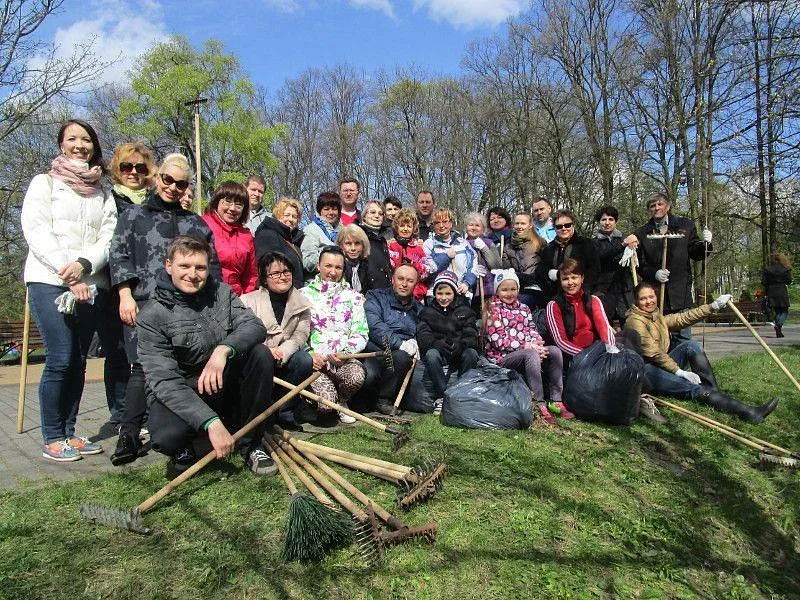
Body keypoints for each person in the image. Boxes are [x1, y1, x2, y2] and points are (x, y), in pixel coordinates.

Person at [109, 153, 219, 466]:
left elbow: (213, 268)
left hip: (188, 307)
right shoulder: (133, 216)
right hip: (144, 301)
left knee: (178, 368)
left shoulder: (194, 223)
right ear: (158, 178)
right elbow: (118, 256)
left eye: (180, 183)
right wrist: (125, 295)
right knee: (142, 367)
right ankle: (128, 433)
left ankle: (181, 431)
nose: (172, 187)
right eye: (167, 179)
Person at [137, 236, 276, 477]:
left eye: (200, 267)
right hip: (183, 389)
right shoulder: (152, 314)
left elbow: (254, 326)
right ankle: (198, 438)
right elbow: (164, 381)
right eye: (184, 266)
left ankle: (250, 443)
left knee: (260, 354)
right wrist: (210, 421)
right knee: (168, 437)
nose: (193, 274)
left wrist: (223, 350)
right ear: (168, 265)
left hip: (221, 381)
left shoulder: (221, 293)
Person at [21, 118, 117, 462]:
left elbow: (109, 237)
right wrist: (68, 271)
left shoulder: (103, 192)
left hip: (90, 283)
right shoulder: (44, 184)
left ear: (94, 146)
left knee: (78, 362)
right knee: (60, 357)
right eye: (72, 139)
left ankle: (70, 432)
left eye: (86, 139)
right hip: (50, 281)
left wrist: (84, 266)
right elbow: (36, 229)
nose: (80, 145)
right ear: (61, 145)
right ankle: (51, 436)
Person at [625, 282, 778, 424]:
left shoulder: (655, 316)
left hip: (659, 364)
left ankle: (714, 394)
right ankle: (749, 413)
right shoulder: (635, 320)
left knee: (691, 345)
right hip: (646, 372)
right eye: (643, 298)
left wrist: (713, 306)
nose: (648, 301)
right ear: (637, 301)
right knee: (693, 389)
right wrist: (680, 372)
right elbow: (653, 353)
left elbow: (683, 318)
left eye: (651, 297)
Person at [101, 142, 158, 427]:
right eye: (127, 166)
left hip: (152, 287)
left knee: (146, 352)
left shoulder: (154, 201)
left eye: (140, 167)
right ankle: (122, 413)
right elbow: (114, 250)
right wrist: (124, 292)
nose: (134, 172)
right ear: (117, 169)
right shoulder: (109, 200)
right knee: (120, 352)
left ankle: (145, 411)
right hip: (119, 285)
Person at [241, 251, 313, 430]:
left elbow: (301, 335)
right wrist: (266, 350)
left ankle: (284, 412)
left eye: (286, 272)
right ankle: (261, 414)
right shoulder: (248, 301)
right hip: (257, 357)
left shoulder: (302, 303)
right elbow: (244, 334)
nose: (282, 277)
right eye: (275, 273)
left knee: (304, 360)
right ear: (265, 279)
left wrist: (284, 351)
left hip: (284, 358)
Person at [486, 269, 566, 425]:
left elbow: (532, 330)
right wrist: (527, 346)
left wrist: (538, 345)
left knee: (555, 351)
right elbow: (498, 341)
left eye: (513, 289)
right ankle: (538, 402)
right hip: (501, 357)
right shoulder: (493, 309)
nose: (509, 293)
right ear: (497, 291)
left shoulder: (524, 308)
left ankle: (556, 399)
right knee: (530, 355)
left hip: (529, 349)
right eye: (504, 289)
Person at [301, 246, 368, 425]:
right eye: (328, 266)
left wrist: (345, 352)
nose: (332, 272)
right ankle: (322, 402)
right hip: (315, 363)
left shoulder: (353, 297)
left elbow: (361, 332)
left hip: (342, 361)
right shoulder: (302, 296)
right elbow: (295, 333)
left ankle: (342, 400)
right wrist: (309, 354)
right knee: (326, 408)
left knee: (356, 376)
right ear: (318, 266)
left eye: (338, 268)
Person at [634, 192, 712, 333]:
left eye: (660, 204)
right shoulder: (642, 233)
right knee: (659, 340)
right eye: (652, 206)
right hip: (655, 298)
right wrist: (654, 274)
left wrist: (705, 244)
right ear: (649, 210)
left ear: (668, 206)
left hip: (680, 295)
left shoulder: (685, 226)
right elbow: (639, 264)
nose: (656, 208)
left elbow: (696, 253)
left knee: (683, 339)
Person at [417, 271, 480, 415]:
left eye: (448, 293)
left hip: (459, 351)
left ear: (454, 293)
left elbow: (471, 334)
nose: (443, 298)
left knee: (471, 354)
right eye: (440, 293)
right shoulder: (427, 312)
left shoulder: (465, 310)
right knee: (431, 355)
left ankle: (463, 394)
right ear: (435, 293)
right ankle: (442, 396)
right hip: (440, 351)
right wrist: (435, 343)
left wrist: (462, 344)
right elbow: (423, 334)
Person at [364, 264, 424, 414]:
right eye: (400, 279)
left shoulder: (419, 309)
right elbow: (375, 326)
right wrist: (400, 344)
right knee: (369, 380)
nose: (404, 284)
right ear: (393, 279)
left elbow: (424, 330)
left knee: (402, 358)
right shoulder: (376, 297)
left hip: (403, 358)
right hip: (376, 350)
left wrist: (417, 341)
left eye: (410, 281)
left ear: (416, 284)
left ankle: (384, 400)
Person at [546, 259, 616, 360]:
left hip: (598, 349)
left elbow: (604, 328)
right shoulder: (553, 305)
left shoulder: (593, 300)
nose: (570, 282)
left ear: (582, 278)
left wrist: (611, 350)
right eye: (565, 279)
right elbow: (560, 341)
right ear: (560, 281)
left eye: (574, 277)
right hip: (573, 356)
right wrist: (586, 356)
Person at [202, 181, 258, 296]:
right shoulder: (202, 225)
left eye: (238, 204)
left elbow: (250, 276)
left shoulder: (246, 236)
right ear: (217, 201)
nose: (232, 208)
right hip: (205, 294)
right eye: (227, 201)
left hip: (235, 297)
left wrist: (246, 299)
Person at [536, 210, 600, 302]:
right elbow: (541, 270)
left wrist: (585, 292)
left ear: (573, 225)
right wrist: (551, 275)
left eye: (567, 225)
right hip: (555, 296)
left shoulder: (585, 244)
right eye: (559, 226)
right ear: (554, 228)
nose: (563, 229)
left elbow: (594, 270)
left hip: (581, 295)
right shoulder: (549, 248)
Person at [592, 205, 639, 326]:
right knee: (606, 324)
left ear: (616, 221)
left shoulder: (625, 240)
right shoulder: (593, 243)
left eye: (611, 219)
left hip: (624, 289)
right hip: (603, 290)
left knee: (629, 324)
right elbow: (603, 254)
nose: (607, 223)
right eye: (603, 219)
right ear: (599, 222)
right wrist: (623, 245)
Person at [423, 208, 479, 299]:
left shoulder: (463, 244)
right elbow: (428, 270)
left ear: (451, 223)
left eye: (445, 221)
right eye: (437, 222)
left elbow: (473, 266)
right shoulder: (429, 244)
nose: (441, 225)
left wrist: (467, 283)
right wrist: (446, 257)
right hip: (436, 295)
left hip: (461, 292)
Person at [253, 198, 305, 289]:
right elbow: (266, 268)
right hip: (276, 294)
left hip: (293, 293)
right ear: (277, 215)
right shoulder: (268, 235)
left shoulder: (293, 241)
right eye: (287, 215)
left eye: (294, 216)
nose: (290, 219)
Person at [502, 212, 546, 310]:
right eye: (517, 223)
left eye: (523, 223)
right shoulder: (508, 246)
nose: (519, 226)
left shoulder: (539, 242)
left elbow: (545, 265)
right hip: (515, 287)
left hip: (534, 287)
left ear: (530, 225)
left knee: (521, 305)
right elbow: (507, 267)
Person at [387, 208, 431, 302]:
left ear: (413, 228)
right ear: (397, 227)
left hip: (415, 296)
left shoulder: (418, 248)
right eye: (402, 226)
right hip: (394, 295)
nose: (405, 229)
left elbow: (426, 272)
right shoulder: (391, 246)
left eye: (409, 226)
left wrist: (413, 264)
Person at [301, 191, 341, 278]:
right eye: (326, 209)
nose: (331, 212)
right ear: (319, 211)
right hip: (317, 284)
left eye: (334, 209)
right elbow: (307, 262)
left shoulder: (344, 231)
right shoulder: (311, 230)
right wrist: (329, 253)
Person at [464, 212, 502, 304]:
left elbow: (497, 265)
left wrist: (484, 248)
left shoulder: (489, 243)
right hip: (469, 287)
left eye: (477, 225)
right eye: (471, 225)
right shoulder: (462, 244)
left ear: (483, 229)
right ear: (466, 227)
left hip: (488, 286)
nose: (473, 228)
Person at [359, 199, 393, 290]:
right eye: (372, 212)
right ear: (364, 216)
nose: (377, 216)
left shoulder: (383, 239)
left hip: (385, 291)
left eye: (380, 213)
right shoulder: (359, 236)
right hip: (367, 291)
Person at [763, 252, 792, 338]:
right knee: (784, 311)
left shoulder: (767, 270)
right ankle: (778, 325)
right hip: (781, 290)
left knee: (778, 311)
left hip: (771, 291)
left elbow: (764, 282)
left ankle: (779, 331)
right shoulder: (785, 269)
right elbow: (789, 281)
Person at [337, 224, 371, 293]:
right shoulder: (337, 266)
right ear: (341, 245)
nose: (353, 248)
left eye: (357, 243)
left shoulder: (367, 265)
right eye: (348, 244)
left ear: (363, 245)